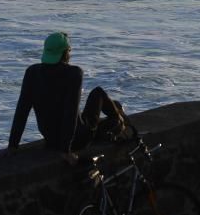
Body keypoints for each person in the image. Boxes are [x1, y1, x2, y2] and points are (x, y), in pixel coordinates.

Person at [7, 32, 127, 165]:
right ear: (65, 53)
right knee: (98, 93)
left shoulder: (32, 72)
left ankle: (113, 120)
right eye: (69, 51)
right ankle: (119, 121)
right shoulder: (74, 73)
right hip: (77, 140)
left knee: (110, 107)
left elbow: (21, 110)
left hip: (51, 140)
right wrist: (66, 151)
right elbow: (70, 113)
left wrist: (13, 145)